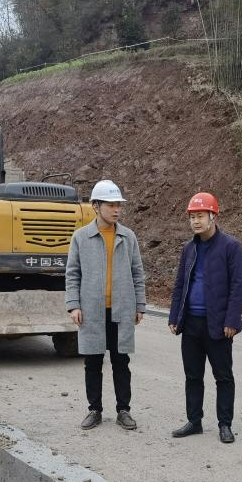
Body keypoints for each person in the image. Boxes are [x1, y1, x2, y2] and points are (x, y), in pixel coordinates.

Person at [65, 180, 146, 431]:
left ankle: (124, 410)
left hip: (121, 310)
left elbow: (137, 273)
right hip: (92, 311)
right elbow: (72, 274)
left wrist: (140, 305)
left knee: (121, 362)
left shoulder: (128, 237)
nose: (116, 210)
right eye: (110, 205)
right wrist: (74, 305)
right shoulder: (81, 237)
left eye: (118, 205)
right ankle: (95, 410)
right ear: (95, 206)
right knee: (93, 362)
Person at [168, 192, 242, 444]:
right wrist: (174, 316)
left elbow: (238, 287)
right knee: (193, 376)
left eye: (200, 216)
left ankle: (225, 424)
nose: (195, 221)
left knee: (223, 376)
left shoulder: (231, 247)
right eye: (192, 217)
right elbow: (180, 284)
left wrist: (232, 320)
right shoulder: (188, 249)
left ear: (213, 216)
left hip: (218, 325)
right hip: (191, 322)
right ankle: (194, 421)